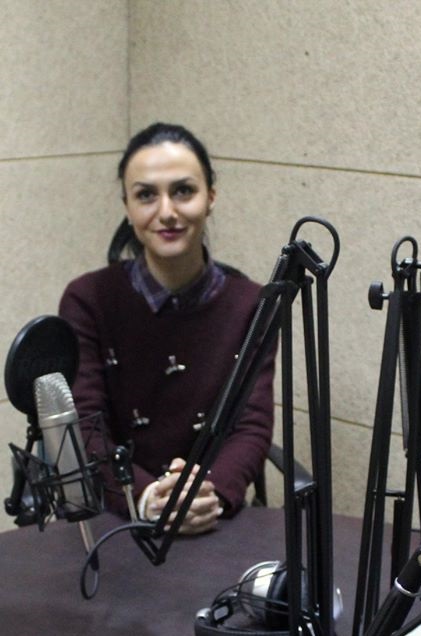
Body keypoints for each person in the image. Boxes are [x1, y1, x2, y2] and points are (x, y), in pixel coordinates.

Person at [59, 122, 275, 535]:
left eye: (183, 191)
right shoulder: (87, 300)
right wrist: (144, 497)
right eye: (146, 195)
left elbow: (252, 424)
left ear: (210, 198)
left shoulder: (252, 304)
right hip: (118, 516)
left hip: (212, 514)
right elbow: (85, 424)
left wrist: (209, 494)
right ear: (127, 207)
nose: (166, 212)